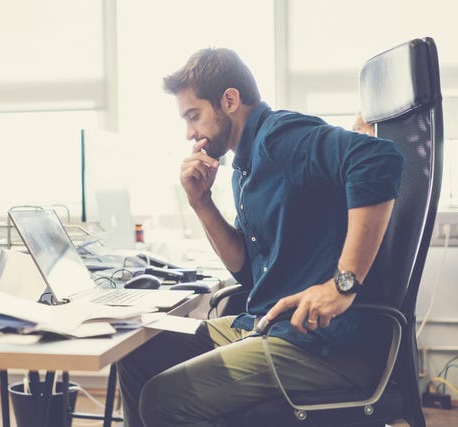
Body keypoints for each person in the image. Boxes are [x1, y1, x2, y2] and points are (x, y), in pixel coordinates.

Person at [117, 48, 404, 427]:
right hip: (267, 324)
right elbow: (251, 276)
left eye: (193, 116)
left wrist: (342, 285)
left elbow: (378, 158)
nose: (190, 133)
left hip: (321, 347)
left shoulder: (280, 137)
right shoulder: (245, 166)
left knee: (166, 398)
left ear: (229, 100)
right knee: (139, 348)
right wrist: (201, 203)